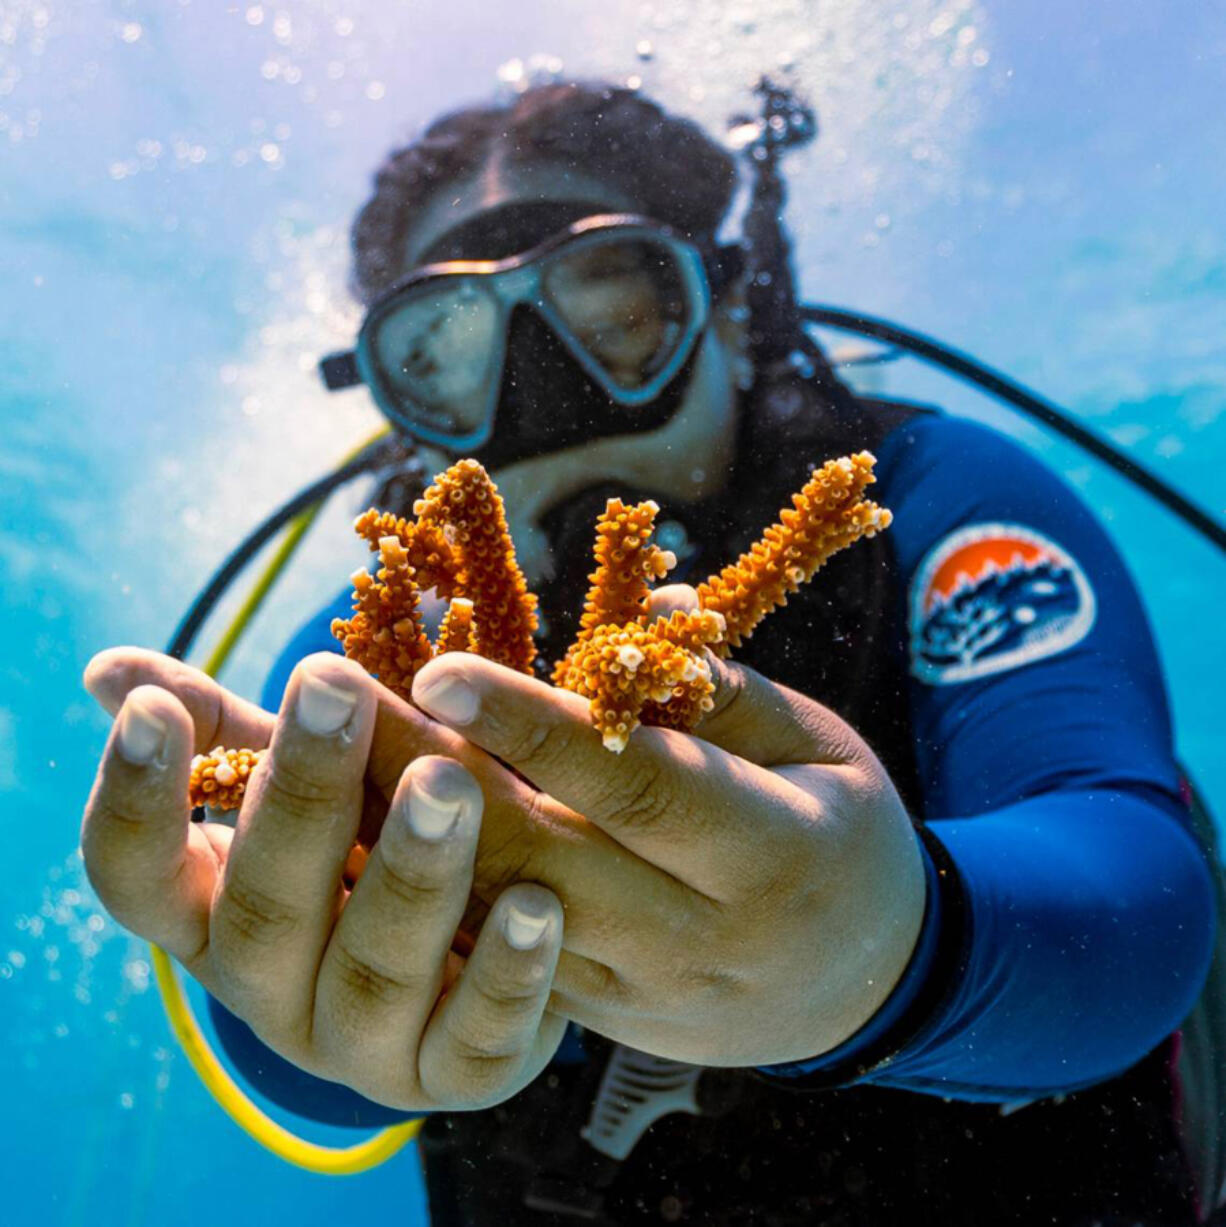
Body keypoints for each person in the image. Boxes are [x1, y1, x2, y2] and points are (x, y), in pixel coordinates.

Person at [80, 80, 1219, 1225]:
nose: (547, 393)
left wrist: (891, 950)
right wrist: (317, 1025)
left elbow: (1133, 885)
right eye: (453, 351)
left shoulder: (920, 496)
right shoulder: (378, 642)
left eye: (615, 307)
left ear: (726, 315)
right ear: (403, 410)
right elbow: (275, 965)